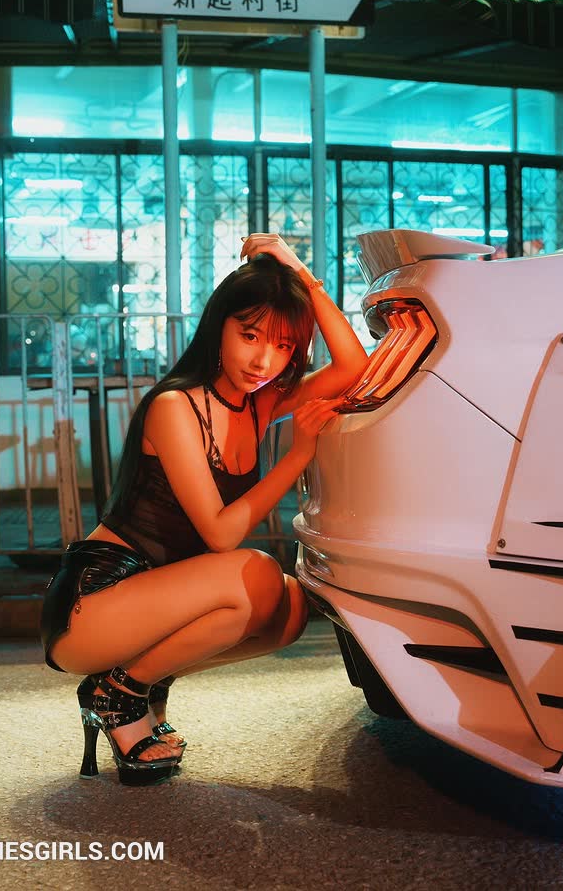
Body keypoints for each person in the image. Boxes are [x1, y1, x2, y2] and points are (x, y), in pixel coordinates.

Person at [40, 234, 369, 785]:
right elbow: (220, 535)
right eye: (250, 335)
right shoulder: (175, 406)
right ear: (219, 327)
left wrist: (300, 273)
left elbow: (354, 364)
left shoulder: (258, 404)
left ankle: (143, 680)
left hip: (156, 602)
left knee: (289, 608)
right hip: (95, 602)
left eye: (284, 345)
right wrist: (297, 456)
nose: (263, 359)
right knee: (257, 572)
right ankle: (119, 692)